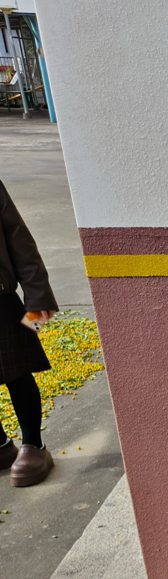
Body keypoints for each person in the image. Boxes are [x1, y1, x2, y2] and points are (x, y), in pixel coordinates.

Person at [0, 178, 57, 487]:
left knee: (17, 372)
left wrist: (38, 303)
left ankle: (33, 445)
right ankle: (0, 446)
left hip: (0, 299)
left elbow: (20, 241)